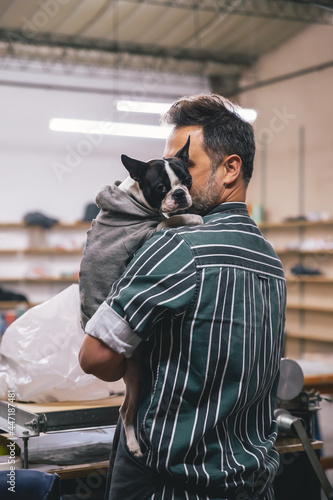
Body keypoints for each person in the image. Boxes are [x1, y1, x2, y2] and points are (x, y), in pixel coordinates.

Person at [79, 94, 286, 500]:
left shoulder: (177, 245)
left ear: (231, 169)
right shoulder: (270, 259)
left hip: (170, 483)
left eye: (186, 165)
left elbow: (96, 360)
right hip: (250, 479)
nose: (173, 172)